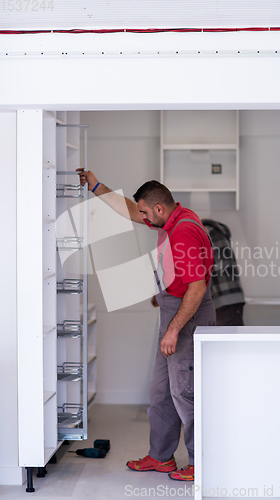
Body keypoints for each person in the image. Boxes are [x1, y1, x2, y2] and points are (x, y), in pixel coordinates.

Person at [77, 168, 215, 482]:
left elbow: (196, 288)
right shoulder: (170, 217)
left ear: (158, 208)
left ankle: (201, 462)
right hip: (173, 309)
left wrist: (173, 328)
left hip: (187, 317)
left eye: (145, 213)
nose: (142, 218)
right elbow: (129, 209)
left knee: (186, 392)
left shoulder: (184, 231)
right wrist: (96, 185)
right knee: (161, 390)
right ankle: (162, 457)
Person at [201, 219, 245, 326]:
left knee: (227, 341)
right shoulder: (213, 232)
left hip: (223, 299)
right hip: (230, 297)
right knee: (230, 339)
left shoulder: (204, 233)